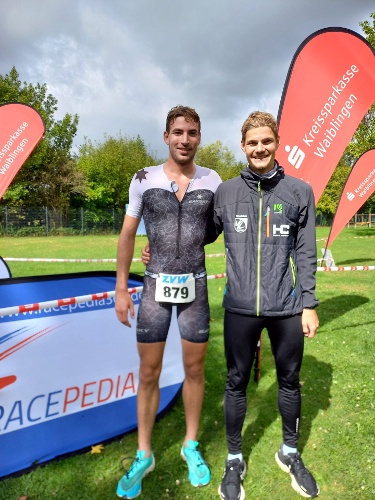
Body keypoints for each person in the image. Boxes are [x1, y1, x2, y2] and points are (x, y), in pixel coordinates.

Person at [115, 105, 222, 499]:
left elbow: (214, 231)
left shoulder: (213, 180)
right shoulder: (143, 179)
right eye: (178, 132)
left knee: (195, 369)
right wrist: (122, 288)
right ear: (166, 136)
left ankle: (190, 445)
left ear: (199, 137)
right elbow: (128, 235)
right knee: (148, 372)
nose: (184, 139)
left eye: (192, 132)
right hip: (153, 290)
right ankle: (145, 453)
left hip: (195, 285)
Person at [213, 111, 320, 499]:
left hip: (287, 307)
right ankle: (234, 460)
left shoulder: (299, 191)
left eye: (266, 141)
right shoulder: (225, 192)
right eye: (252, 142)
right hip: (240, 308)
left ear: (277, 143)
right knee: (236, 382)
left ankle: (289, 452)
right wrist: (156, 248)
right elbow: (200, 233)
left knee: (290, 381)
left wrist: (308, 303)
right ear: (243, 146)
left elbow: (306, 251)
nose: (259, 148)